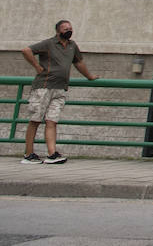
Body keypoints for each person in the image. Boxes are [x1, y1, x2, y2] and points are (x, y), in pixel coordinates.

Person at [20, 18, 99, 165]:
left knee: (52, 121)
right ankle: (28, 154)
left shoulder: (72, 45)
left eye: (70, 28)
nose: (69, 30)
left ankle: (52, 154)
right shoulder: (49, 44)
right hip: (43, 87)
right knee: (35, 120)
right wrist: (37, 67)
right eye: (65, 28)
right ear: (58, 31)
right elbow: (26, 50)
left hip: (60, 88)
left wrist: (89, 76)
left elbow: (79, 62)